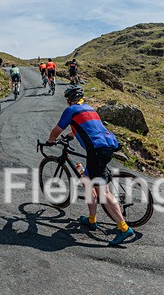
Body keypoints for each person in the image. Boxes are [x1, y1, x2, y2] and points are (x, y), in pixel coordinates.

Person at [44, 85, 134, 246]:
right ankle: (92, 219)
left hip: (97, 151)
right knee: (87, 181)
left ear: (69, 99)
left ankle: (124, 228)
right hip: (107, 146)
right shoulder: (90, 109)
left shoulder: (70, 110)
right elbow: (88, 127)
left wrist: (50, 141)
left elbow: (56, 130)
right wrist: (70, 135)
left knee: (103, 192)